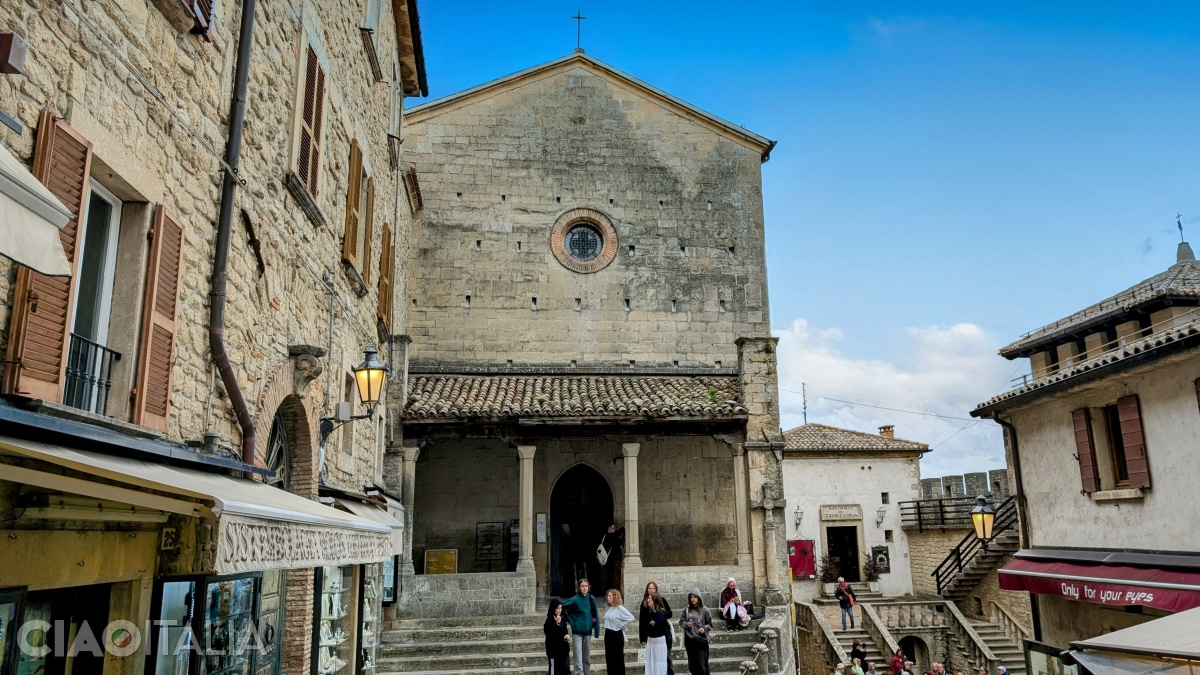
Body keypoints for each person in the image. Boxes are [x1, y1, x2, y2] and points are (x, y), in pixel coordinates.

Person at [560, 578, 600, 675]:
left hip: (587, 633)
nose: (584, 588)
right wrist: (572, 621)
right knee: (578, 658)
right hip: (577, 633)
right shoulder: (575, 599)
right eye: (582, 586)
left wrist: (593, 624)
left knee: (586, 658)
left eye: (586, 586)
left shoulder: (591, 598)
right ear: (579, 587)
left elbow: (594, 615)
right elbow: (562, 608)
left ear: (588, 587)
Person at [640, 582, 675, 675]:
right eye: (649, 588)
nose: (651, 591)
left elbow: (655, 624)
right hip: (651, 639)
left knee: (663, 660)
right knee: (652, 661)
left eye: (653, 589)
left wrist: (654, 621)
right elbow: (643, 622)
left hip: (660, 637)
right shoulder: (645, 605)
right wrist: (642, 638)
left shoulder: (660, 610)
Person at [680, 588, 713, 675]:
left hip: (701, 641)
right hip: (690, 641)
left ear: (699, 598)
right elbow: (681, 622)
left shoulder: (705, 610)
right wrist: (687, 624)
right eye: (691, 597)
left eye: (695, 597)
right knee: (692, 666)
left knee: (702, 665)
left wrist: (704, 628)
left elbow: (710, 624)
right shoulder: (686, 610)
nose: (692, 599)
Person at [602, 588, 635, 675]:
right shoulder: (608, 608)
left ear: (614, 597)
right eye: (607, 596)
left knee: (617, 658)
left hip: (616, 634)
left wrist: (620, 625)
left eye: (610, 596)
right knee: (609, 658)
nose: (607, 597)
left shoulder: (620, 608)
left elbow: (631, 618)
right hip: (608, 633)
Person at [544, 599, 571, 675]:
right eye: (557, 608)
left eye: (561, 608)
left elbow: (564, 631)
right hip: (553, 650)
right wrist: (557, 624)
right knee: (554, 670)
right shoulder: (549, 620)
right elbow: (550, 634)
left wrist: (566, 636)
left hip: (563, 649)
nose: (559, 610)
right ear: (553, 608)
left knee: (565, 669)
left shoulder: (562, 619)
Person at [599, 524, 625, 591]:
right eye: (611, 528)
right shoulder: (608, 536)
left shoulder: (613, 537)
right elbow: (615, 536)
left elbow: (619, 542)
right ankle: (617, 590)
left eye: (614, 528)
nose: (613, 529)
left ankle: (616, 590)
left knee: (615, 575)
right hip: (612, 559)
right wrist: (622, 528)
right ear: (608, 529)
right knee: (615, 576)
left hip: (614, 559)